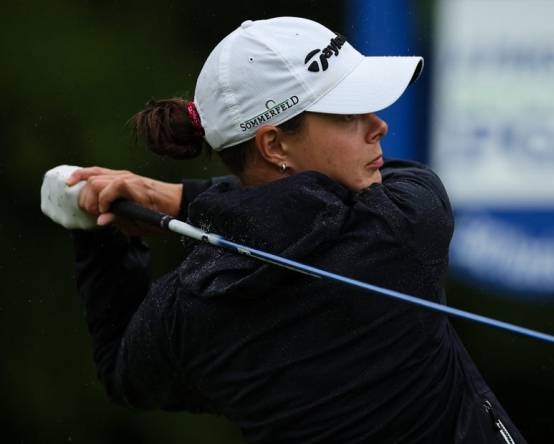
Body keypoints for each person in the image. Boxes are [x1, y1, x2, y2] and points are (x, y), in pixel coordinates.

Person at [68, 17, 525, 443]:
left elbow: (121, 372)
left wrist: (104, 232)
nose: (378, 125)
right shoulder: (405, 223)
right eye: (348, 114)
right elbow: (305, 208)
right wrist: (175, 198)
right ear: (274, 143)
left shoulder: (189, 307)